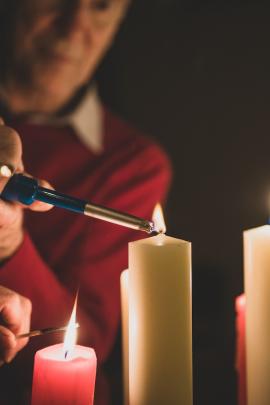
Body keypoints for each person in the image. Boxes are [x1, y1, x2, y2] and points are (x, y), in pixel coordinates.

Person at [0, 0, 171, 403]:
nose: (74, 26)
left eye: (101, 6)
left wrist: (8, 242)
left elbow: (81, 344)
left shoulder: (132, 164)